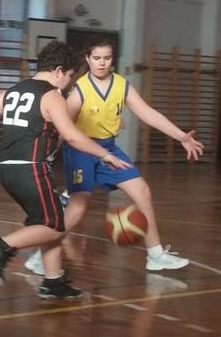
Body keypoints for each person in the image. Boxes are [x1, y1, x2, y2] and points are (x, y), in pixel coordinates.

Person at [22, 38, 203, 274]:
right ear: (88, 59)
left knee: (143, 191)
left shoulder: (121, 85)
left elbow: (147, 113)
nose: (102, 63)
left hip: (109, 149)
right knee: (78, 206)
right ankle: (42, 255)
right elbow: (62, 126)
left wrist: (181, 136)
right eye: (97, 58)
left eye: (107, 58)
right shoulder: (80, 89)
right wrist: (47, 153)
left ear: (112, 59)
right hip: (81, 150)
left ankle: (156, 255)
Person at [0, 41, 132, 299]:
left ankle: (53, 281)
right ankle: (1, 246)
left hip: (6, 170)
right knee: (56, 226)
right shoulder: (51, 95)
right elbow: (71, 136)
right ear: (59, 71)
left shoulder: (14, 90)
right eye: (70, 76)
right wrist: (105, 154)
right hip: (31, 169)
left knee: (47, 221)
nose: (69, 83)